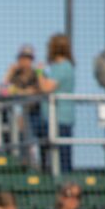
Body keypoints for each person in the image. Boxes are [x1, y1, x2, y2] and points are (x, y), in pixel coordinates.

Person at [36, 34, 76, 172]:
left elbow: (46, 88)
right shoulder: (55, 67)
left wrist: (39, 72)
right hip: (49, 119)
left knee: (62, 158)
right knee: (48, 156)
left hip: (59, 119)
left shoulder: (63, 67)